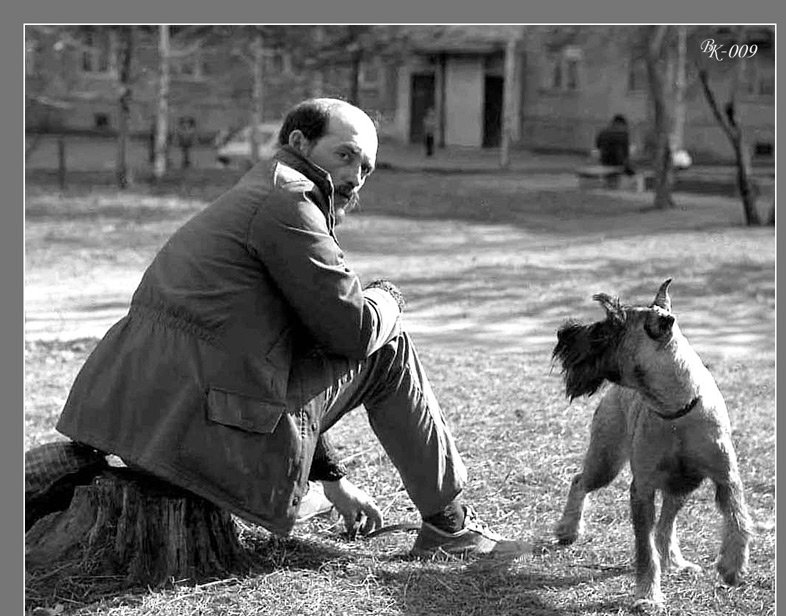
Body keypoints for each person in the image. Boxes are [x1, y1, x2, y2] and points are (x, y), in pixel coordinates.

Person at [56, 97, 531, 559]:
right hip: (196, 431)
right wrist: (391, 297)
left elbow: (290, 353)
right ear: (300, 142)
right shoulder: (289, 202)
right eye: (344, 155)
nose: (353, 177)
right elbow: (354, 333)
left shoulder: (260, 190)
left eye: (365, 168)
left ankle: (328, 491)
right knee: (388, 348)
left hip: (142, 421)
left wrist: (330, 474)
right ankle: (450, 526)